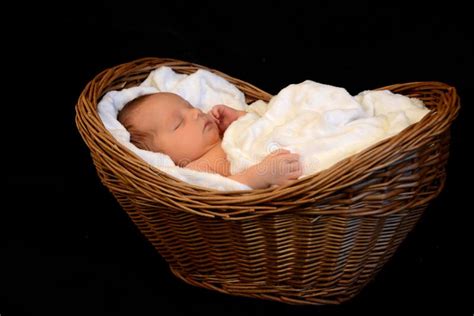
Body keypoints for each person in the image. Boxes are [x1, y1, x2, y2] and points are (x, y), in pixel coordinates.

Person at [117, 92, 302, 189]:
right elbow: (224, 193)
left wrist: (240, 118)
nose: (195, 112)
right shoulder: (196, 169)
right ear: (159, 155)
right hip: (287, 172)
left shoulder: (224, 134)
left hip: (293, 141)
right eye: (179, 123)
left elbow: (264, 126)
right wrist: (260, 176)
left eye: (189, 106)